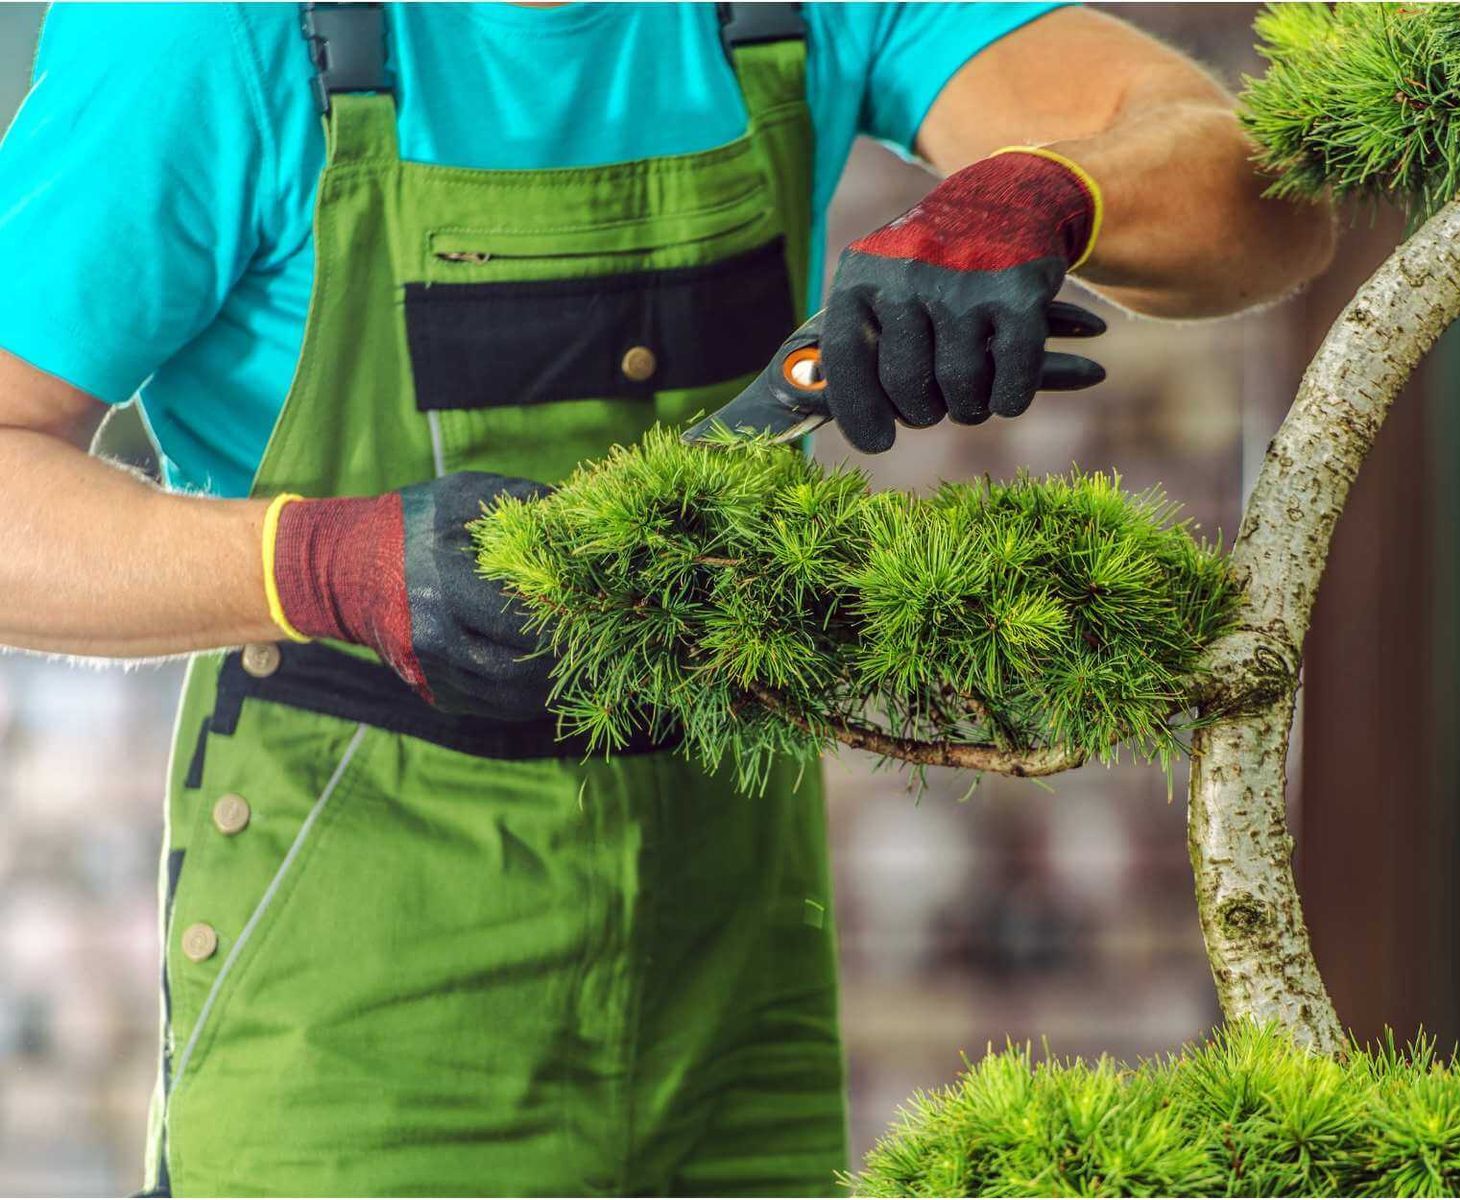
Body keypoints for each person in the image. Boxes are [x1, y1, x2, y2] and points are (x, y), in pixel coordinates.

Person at [0, 2, 1333, 1194]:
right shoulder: (208, 33)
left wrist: (1042, 192)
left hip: (730, 986)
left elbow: (1259, 199)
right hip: (361, 985)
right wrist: (326, 565)